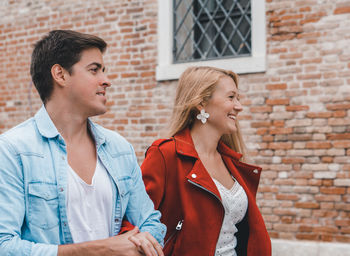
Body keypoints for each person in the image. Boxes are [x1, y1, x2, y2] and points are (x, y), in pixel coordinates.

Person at [0, 30, 165, 256]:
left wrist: (141, 243)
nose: (106, 80)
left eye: (103, 71)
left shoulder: (119, 148)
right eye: (94, 70)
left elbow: (151, 222)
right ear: (60, 74)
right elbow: (4, 245)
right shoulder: (13, 150)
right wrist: (103, 249)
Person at [141, 66, 271, 255]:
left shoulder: (231, 161)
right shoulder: (165, 154)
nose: (239, 106)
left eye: (238, 98)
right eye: (231, 97)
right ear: (201, 103)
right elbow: (139, 221)